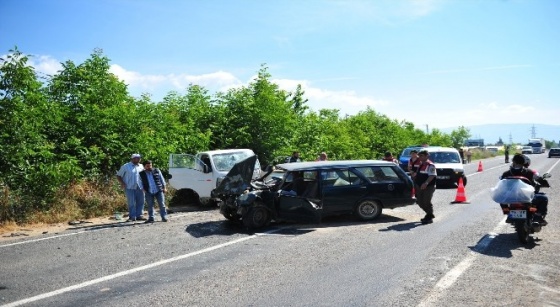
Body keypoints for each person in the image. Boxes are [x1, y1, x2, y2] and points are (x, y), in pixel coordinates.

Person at [500, 153, 547, 225]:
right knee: (544, 198)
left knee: (501, 199)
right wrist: (545, 183)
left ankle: (507, 212)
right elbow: (539, 179)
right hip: (527, 197)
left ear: (513, 162)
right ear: (524, 162)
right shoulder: (530, 172)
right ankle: (538, 216)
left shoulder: (506, 173)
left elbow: (501, 183)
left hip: (511, 197)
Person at [116, 153, 146, 222]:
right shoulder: (125, 166)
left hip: (140, 186)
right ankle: (132, 217)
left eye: (139, 158)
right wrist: (122, 183)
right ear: (132, 159)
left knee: (141, 201)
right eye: (136, 158)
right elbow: (118, 175)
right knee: (131, 202)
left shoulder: (141, 166)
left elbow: (144, 176)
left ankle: (139, 215)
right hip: (129, 186)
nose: (138, 159)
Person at [414, 150, 437, 224]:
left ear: (427, 156)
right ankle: (429, 214)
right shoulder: (420, 164)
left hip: (428, 187)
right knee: (419, 202)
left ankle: (429, 217)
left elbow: (432, 175)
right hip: (419, 186)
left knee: (426, 201)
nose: (420, 157)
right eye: (419, 156)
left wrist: (426, 183)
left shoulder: (430, 165)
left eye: (421, 156)